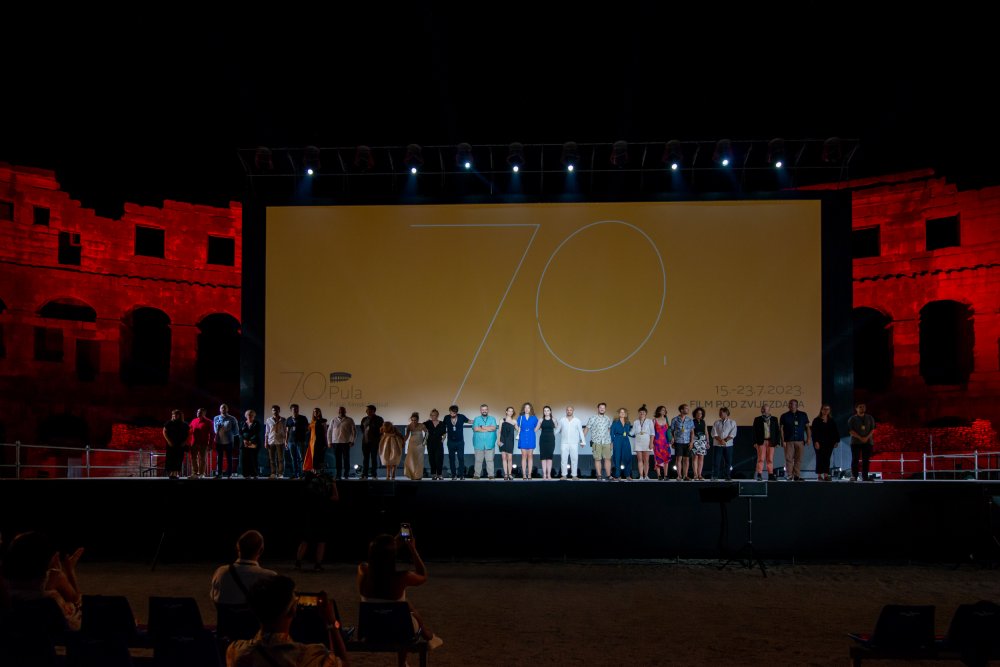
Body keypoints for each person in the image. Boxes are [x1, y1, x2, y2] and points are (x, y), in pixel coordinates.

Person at [357, 531, 442, 667]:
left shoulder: (363, 571)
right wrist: (412, 549)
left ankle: (426, 635)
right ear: (392, 556)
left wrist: (392, 545)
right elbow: (423, 575)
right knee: (404, 612)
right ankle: (412, 651)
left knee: (402, 605)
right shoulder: (402, 577)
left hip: (371, 629)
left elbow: (378, 559)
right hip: (400, 631)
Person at [225, 573, 349, 667]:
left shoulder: (235, 652)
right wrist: (331, 623)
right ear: (293, 611)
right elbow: (343, 663)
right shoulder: (311, 656)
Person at [0, 530, 83, 667]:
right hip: (43, 658)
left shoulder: (4, 594)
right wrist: (69, 573)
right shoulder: (49, 601)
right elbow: (76, 623)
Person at [210, 530, 277, 606]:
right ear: (261, 550)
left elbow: (214, 598)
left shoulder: (220, 572)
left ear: (238, 547)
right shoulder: (270, 577)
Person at [296, 471, 339, 571]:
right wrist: (334, 485)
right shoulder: (324, 493)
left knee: (306, 540)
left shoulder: (309, 488)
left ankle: (298, 563)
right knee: (321, 541)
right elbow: (336, 497)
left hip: (310, 515)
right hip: (321, 516)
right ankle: (317, 565)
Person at [779, 399, 811, 481]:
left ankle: (797, 475)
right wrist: (782, 440)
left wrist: (808, 438)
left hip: (800, 440)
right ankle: (790, 475)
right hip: (788, 440)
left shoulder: (803, 415)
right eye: (790, 404)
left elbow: (807, 427)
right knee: (789, 458)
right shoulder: (784, 416)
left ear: (796, 405)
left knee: (798, 459)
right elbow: (781, 429)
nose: (790, 405)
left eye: (792, 404)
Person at [753, 403, 782, 481]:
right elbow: (754, 431)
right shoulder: (757, 419)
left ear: (769, 410)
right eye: (762, 409)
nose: (763, 410)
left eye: (764, 409)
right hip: (761, 441)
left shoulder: (774, 419)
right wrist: (755, 442)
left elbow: (777, 431)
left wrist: (777, 442)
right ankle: (759, 474)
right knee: (760, 459)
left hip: (771, 442)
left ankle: (770, 474)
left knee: (770, 459)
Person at [584, 402, 613, 481]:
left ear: (605, 409)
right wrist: (582, 440)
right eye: (600, 408)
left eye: (603, 408)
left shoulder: (607, 418)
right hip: (596, 442)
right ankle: (599, 476)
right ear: (598, 409)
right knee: (597, 459)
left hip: (607, 441)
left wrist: (611, 442)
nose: (602, 409)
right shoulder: (593, 418)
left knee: (608, 458)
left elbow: (609, 430)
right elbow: (587, 428)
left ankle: (608, 476)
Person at [848, 402, 876, 482]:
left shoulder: (870, 418)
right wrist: (861, 438)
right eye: (860, 407)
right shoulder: (852, 419)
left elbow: (872, 429)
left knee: (866, 460)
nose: (862, 408)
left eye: (863, 407)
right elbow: (851, 431)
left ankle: (865, 476)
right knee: (855, 459)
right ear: (856, 409)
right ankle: (854, 476)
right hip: (855, 442)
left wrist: (866, 438)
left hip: (868, 442)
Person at [811, 404, 840, 481]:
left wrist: (837, 441)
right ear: (821, 410)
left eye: (828, 409)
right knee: (819, 458)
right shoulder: (816, 420)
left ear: (829, 411)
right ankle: (819, 475)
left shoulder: (831, 420)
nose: (826, 411)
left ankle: (826, 475)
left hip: (829, 443)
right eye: (824, 409)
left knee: (827, 458)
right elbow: (814, 432)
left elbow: (835, 431)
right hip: (819, 442)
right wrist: (816, 441)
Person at [327, 407, 357, 481]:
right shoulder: (333, 420)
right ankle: (338, 475)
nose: (341, 412)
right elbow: (329, 431)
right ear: (338, 412)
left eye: (342, 410)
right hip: (336, 443)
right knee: (338, 460)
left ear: (345, 411)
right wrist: (329, 442)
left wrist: (352, 441)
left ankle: (346, 474)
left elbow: (354, 431)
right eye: (340, 411)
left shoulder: (350, 420)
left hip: (346, 442)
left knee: (346, 459)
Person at [557, 406, 586, 479]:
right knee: (563, 459)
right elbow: (557, 430)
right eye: (568, 410)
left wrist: (583, 442)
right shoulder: (562, 420)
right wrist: (550, 435)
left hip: (574, 443)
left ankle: (574, 475)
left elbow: (581, 432)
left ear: (573, 411)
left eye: (570, 410)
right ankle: (564, 475)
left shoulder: (577, 420)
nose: (569, 411)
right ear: (566, 411)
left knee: (574, 459)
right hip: (564, 443)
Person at [472, 404, 498, 480]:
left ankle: (491, 475)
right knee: (478, 460)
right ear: (480, 410)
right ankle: (477, 475)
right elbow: (475, 429)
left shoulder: (492, 419)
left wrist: (482, 427)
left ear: (488, 410)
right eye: (482, 409)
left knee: (490, 460)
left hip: (490, 443)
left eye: (485, 409)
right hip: (478, 443)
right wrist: (488, 428)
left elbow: (493, 428)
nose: (484, 411)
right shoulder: (476, 419)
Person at [443, 405, 470, 480]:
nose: (452, 414)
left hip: (460, 442)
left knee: (461, 458)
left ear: (456, 412)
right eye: (451, 413)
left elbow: (469, 421)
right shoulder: (446, 417)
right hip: (450, 442)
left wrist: (478, 421)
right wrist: (443, 437)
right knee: (452, 459)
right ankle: (453, 475)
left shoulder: (461, 417)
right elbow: (442, 426)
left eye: (454, 413)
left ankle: (461, 475)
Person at [214, 403, 241, 478]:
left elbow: (236, 431)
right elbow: (215, 430)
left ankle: (229, 474)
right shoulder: (216, 418)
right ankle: (219, 474)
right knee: (219, 458)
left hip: (229, 441)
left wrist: (228, 432)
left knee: (229, 458)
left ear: (227, 409)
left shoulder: (232, 418)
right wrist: (219, 428)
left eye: (225, 408)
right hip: (219, 441)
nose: (223, 409)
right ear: (220, 409)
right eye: (222, 408)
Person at [163, 408, 190, 479]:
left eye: (176, 414)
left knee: (178, 459)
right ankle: (171, 473)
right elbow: (164, 432)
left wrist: (184, 442)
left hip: (180, 444)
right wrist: (168, 441)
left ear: (179, 415)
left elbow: (188, 434)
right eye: (173, 414)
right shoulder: (169, 423)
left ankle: (175, 473)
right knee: (170, 458)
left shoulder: (184, 424)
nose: (174, 416)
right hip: (171, 444)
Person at [711, 407, 737, 481]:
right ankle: (715, 476)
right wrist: (720, 440)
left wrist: (725, 440)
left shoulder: (732, 422)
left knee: (728, 461)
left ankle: (727, 476)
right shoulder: (716, 422)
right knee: (716, 461)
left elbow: (733, 434)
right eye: (719, 412)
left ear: (726, 413)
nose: (719, 414)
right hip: (717, 445)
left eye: (721, 412)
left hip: (728, 445)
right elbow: (713, 433)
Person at [360, 405, 384, 480]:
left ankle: (374, 475)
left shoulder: (379, 419)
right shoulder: (364, 419)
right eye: (367, 410)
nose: (367, 411)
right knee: (365, 458)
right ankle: (365, 475)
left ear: (373, 411)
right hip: (365, 441)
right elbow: (362, 428)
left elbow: (381, 430)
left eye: (368, 410)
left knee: (374, 458)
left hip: (374, 441)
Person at [285, 404, 310, 479]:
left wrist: (302, 435)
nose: (295, 410)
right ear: (291, 410)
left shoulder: (303, 418)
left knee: (301, 458)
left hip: (300, 441)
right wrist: (286, 441)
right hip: (291, 441)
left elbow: (307, 429)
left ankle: (302, 474)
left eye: (297, 409)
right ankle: (295, 473)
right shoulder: (288, 419)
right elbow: (287, 431)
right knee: (293, 458)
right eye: (294, 409)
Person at [670, 404, 694, 481]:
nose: (687, 410)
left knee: (686, 459)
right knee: (678, 459)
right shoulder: (675, 419)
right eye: (686, 408)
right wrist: (672, 439)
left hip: (687, 442)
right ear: (681, 410)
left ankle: (685, 475)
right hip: (678, 441)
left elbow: (692, 432)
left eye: (688, 408)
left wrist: (691, 442)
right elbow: (671, 431)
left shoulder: (690, 420)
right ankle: (679, 475)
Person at [189, 408, 214, 478]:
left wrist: (210, 444)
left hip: (203, 443)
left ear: (204, 413)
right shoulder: (194, 420)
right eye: (197, 411)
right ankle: (195, 473)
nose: (198, 413)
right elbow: (189, 430)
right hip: (194, 443)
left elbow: (212, 434)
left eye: (200, 412)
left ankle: (201, 473)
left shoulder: (209, 422)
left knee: (202, 459)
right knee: (193, 458)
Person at [515, 402, 538, 479]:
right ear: (523, 409)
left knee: (530, 456)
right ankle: (524, 474)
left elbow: (537, 426)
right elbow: (517, 427)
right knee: (524, 456)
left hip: (531, 436)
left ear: (531, 409)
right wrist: (520, 432)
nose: (527, 409)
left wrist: (532, 431)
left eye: (528, 407)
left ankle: (530, 474)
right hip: (523, 436)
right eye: (525, 407)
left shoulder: (534, 418)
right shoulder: (520, 417)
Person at [264, 405, 287, 479]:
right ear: (272, 411)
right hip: (271, 441)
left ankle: (280, 473)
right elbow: (267, 432)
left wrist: (285, 441)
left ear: (279, 411)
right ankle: (273, 473)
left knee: (281, 459)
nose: (275, 411)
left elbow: (286, 431)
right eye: (273, 410)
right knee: (272, 459)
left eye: (276, 410)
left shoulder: (283, 420)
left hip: (280, 441)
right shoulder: (268, 420)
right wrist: (265, 442)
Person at [630, 405, 653, 480]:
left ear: (646, 413)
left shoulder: (649, 421)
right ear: (638, 413)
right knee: (639, 460)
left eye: (643, 412)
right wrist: (625, 431)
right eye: (640, 412)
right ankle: (641, 476)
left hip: (646, 440)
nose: (642, 413)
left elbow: (652, 433)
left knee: (646, 460)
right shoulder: (636, 422)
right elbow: (632, 432)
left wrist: (651, 443)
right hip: (638, 441)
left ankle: (646, 475)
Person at [423, 410, 447, 480]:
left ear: (437, 415)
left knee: (439, 459)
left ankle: (439, 474)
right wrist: (425, 427)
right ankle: (433, 474)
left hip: (438, 443)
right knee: (431, 458)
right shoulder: (428, 423)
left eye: (435, 415)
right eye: (432, 415)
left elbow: (444, 434)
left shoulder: (441, 423)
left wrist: (442, 440)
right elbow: (421, 427)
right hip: (430, 443)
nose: (433, 416)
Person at [403, 412, 427, 481]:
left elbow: (427, 432)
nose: (413, 421)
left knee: (419, 460)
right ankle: (412, 475)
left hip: (420, 445)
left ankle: (418, 475)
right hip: (412, 444)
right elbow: (407, 436)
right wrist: (402, 441)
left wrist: (424, 442)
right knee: (411, 459)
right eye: (412, 420)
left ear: (417, 420)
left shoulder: (421, 425)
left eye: (415, 420)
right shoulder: (409, 426)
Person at [610, 407, 632, 481]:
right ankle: (617, 475)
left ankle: (628, 475)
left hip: (626, 440)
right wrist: (611, 442)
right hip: (617, 440)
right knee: (617, 457)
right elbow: (611, 433)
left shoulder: (628, 423)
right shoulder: (615, 422)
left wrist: (637, 435)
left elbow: (629, 433)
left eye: (624, 412)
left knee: (628, 457)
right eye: (621, 412)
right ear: (619, 414)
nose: (622, 413)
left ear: (626, 414)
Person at [305, 408, 328, 474]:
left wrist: (326, 442)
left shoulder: (323, 421)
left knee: (320, 456)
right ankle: (314, 470)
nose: (316, 412)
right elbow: (308, 430)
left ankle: (319, 471)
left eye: (317, 411)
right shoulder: (312, 421)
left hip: (320, 441)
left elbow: (325, 432)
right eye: (314, 411)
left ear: (320, 412)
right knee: (313, 456)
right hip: (312, 442)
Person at [241, 409, 262, 479]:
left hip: (254, 443)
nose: (249, 416)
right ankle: (246, 474)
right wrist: (244, 440)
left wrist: (250, 441)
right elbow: (240, 433)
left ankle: (254, 474)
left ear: (254, 416)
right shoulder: (242, 423)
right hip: (244, 444)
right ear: (246, 416)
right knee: (245, 459)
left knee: (253, 459)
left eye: (251, 415)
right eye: (248, 415)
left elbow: (256, 433)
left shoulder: (257, 423)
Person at [652, 405, 672, 480]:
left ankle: (666, 475)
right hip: (657, 442)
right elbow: (652, 432)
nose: (663, 411)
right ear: (658, 411)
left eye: (664, 410)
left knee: (666, 458)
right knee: (657, 459)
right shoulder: (654, 420)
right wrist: (651, 442)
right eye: (662, 410)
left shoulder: (666, 420)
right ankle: (659, 475)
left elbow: (668, 431)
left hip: (665, 442)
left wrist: (671, 438)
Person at [498, 406, 517, 481]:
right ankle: (506, 474)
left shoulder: (514, 421)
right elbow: (499, 431)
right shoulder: (502, 420)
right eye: (509, 411)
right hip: (502, 440)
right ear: (506, 412)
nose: (510, 412)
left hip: (510, 441)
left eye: (512, 411)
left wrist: (520, 429)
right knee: (504, 457)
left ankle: (510, 474)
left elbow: (518, 429)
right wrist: (498, 440)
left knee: (510, 458)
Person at [690, 406, 709, 481]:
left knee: (701, 458)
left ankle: (700, 475)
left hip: (702, 441)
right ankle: (695, 475)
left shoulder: (703, 422)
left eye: (700, 413)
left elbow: (706, 432)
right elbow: (691, 432)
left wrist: (707, 442)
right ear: (695, 414)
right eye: (698, 413)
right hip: (694, 440)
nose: (699, 414)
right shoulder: (692, 422)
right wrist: (691, 442)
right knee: (695, 458)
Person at [537, 405, 557, 480]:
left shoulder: (554, 420)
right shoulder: (541, 420)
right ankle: (544, 475)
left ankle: (549, 475)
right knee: (543, 457)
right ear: (543, 412)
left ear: (550, 411)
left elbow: (558, 429)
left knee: (549, 457)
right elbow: (536, 429)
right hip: (543, 440)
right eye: (545, 411)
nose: (546, 412)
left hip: (551, 440)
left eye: (548, 410)